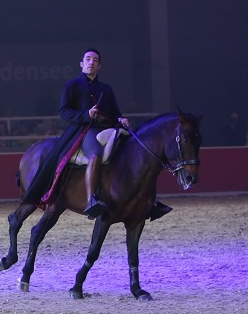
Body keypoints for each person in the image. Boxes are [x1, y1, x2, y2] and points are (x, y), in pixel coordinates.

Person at [20, 48, 171, 220]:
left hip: (108, 129)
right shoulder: (72, 86)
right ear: (81, 64)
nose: (92, 62)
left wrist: (121, 119)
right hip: (86, 129)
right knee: (96, 154)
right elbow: (64, 112)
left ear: (99, 66)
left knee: (136, 152)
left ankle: (149, 202)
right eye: (88, 59)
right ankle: (91, 200)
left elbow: (115, 112)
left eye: (95, 60)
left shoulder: (106, 89)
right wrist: (86, 115)